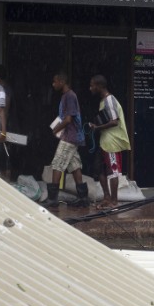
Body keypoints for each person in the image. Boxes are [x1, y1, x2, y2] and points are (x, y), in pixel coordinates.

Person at [45, 73, 90, 207]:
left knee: (57, 163)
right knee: (74, 165)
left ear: (61, 82)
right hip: (72, 137)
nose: (53, 85)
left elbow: (68, 119)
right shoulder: (66, 96)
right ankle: (83, 198)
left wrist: (56, 129)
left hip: (70, 136)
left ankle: (52, 200)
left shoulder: (69, 96)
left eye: (55, 82)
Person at [87, 75, 132, 209]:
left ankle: (113, 201)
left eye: (92, 85)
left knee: (113, 171)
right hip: (104, 141)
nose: (90, 88)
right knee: (99, 169)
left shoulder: (109, 100)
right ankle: (107, 197)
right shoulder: (103, 101)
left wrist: (97, 127)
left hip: (111, 142)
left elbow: (114, 121)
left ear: (99, 86)